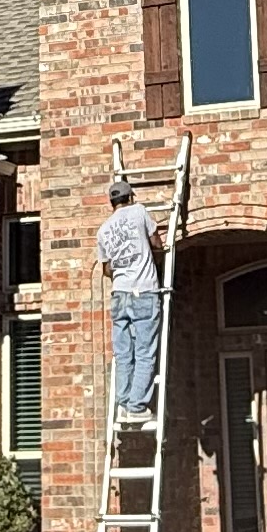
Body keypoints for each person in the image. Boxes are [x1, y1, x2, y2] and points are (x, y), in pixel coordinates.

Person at [96, 177, 166, 425]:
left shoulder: (103, 229)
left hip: (119, 294)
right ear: (131, 197)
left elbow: (106, 269)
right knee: (145, 352)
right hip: (143, 291)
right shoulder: (139, 212)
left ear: (112, 202)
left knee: (124, 354)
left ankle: (124, 404)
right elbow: (156, 243)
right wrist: (156, 257)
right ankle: (136, 407)